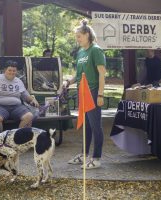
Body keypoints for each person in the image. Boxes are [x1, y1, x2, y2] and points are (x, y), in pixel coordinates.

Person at [63, 19, 106, 169]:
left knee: (95, 126)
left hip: (93, 92)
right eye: (77, 37)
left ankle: (97, 158)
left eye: (79, 36)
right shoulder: (81, 52)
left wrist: (100, 95)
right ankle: (84, 155)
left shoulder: (96, 50)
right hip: (82, 92)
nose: (77, 39)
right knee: (86, 126)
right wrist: (68, 82)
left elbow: (102, 74)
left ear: (87, 34)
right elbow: (78, 74)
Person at [0, 60, 39, 131]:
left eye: (14, 71)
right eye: (9, 70)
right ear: (5, 70)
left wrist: (32, 100)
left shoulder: (19, 81)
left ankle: (18, 138)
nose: (12, 72)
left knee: (29, 116)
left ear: (16, 71)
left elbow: (25, 94)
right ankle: (0, 139)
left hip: (17, 107)